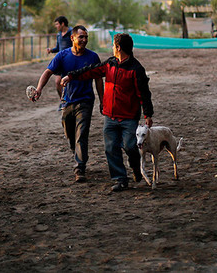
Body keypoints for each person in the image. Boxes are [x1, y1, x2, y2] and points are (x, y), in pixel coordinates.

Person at [61, 33, 154, 192]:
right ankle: (120, 179)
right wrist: (71, 76)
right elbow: (91, 71)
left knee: (131, 146)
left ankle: (135, 168)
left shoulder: (136, 69)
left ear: (118, 47)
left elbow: (144, 93)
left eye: (113, 45)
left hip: (129, 117)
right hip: (109, 116)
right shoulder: (110, 63)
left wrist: (148, 114)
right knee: (111, 148)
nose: (112, 47)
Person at [31, 25, 102, 183]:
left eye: (86, 37)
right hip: (68, 101)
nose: (84, 40)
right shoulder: (62, 56)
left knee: (81, 135)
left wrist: (102, 100)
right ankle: (77, 153)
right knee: (70, 135)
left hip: (85, 100)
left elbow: (98, 79)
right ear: (72, 38)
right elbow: (48, 72)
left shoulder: (93, 57)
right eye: (81, 37)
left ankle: (80, 168)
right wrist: (39, 89)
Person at [45, 16, 73, 100]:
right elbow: (58, 48)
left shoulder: (72, 33)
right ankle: (63, 100)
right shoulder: (59, 35)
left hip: (70, 61)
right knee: (57, 82)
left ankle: (70, 100)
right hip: (61, 61)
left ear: (62, 24)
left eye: (57, 24)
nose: (56, 26)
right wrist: (51, 50)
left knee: (69, 82)